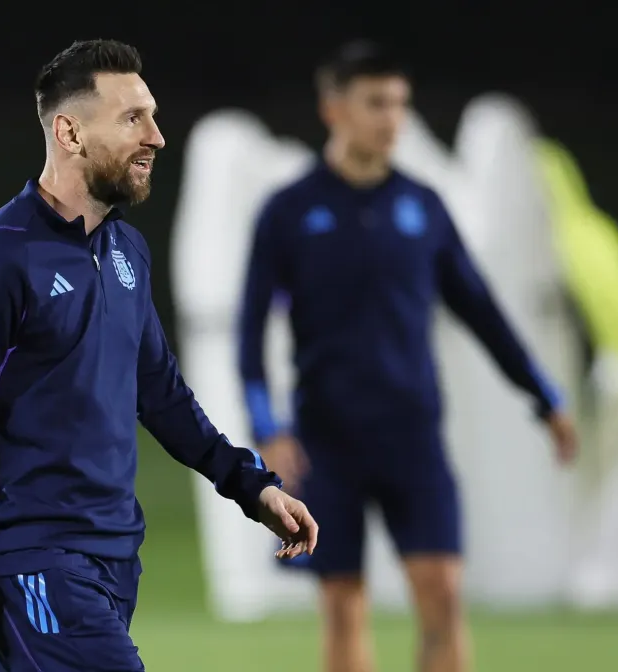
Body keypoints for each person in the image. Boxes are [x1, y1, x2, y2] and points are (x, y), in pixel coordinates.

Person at [0, 39, 318, 671]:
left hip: (114, 559)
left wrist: (252, 488)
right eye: (133, 118)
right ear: (69, 131)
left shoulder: (125, 251)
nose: (157, 137)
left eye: (153, 116)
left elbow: (161, 394)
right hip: (33, 560)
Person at [238, 41, 578, 672]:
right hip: (326, 442)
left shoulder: (422, 207)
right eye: (375, 103)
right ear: (333, 109)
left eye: (398, 103)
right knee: (343, 603)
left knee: (444, 594)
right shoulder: (289, 212)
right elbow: (249, 336)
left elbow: (484, 315)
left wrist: (546, 398)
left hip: (413, 437)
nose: (390, 118)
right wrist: (269, 428)